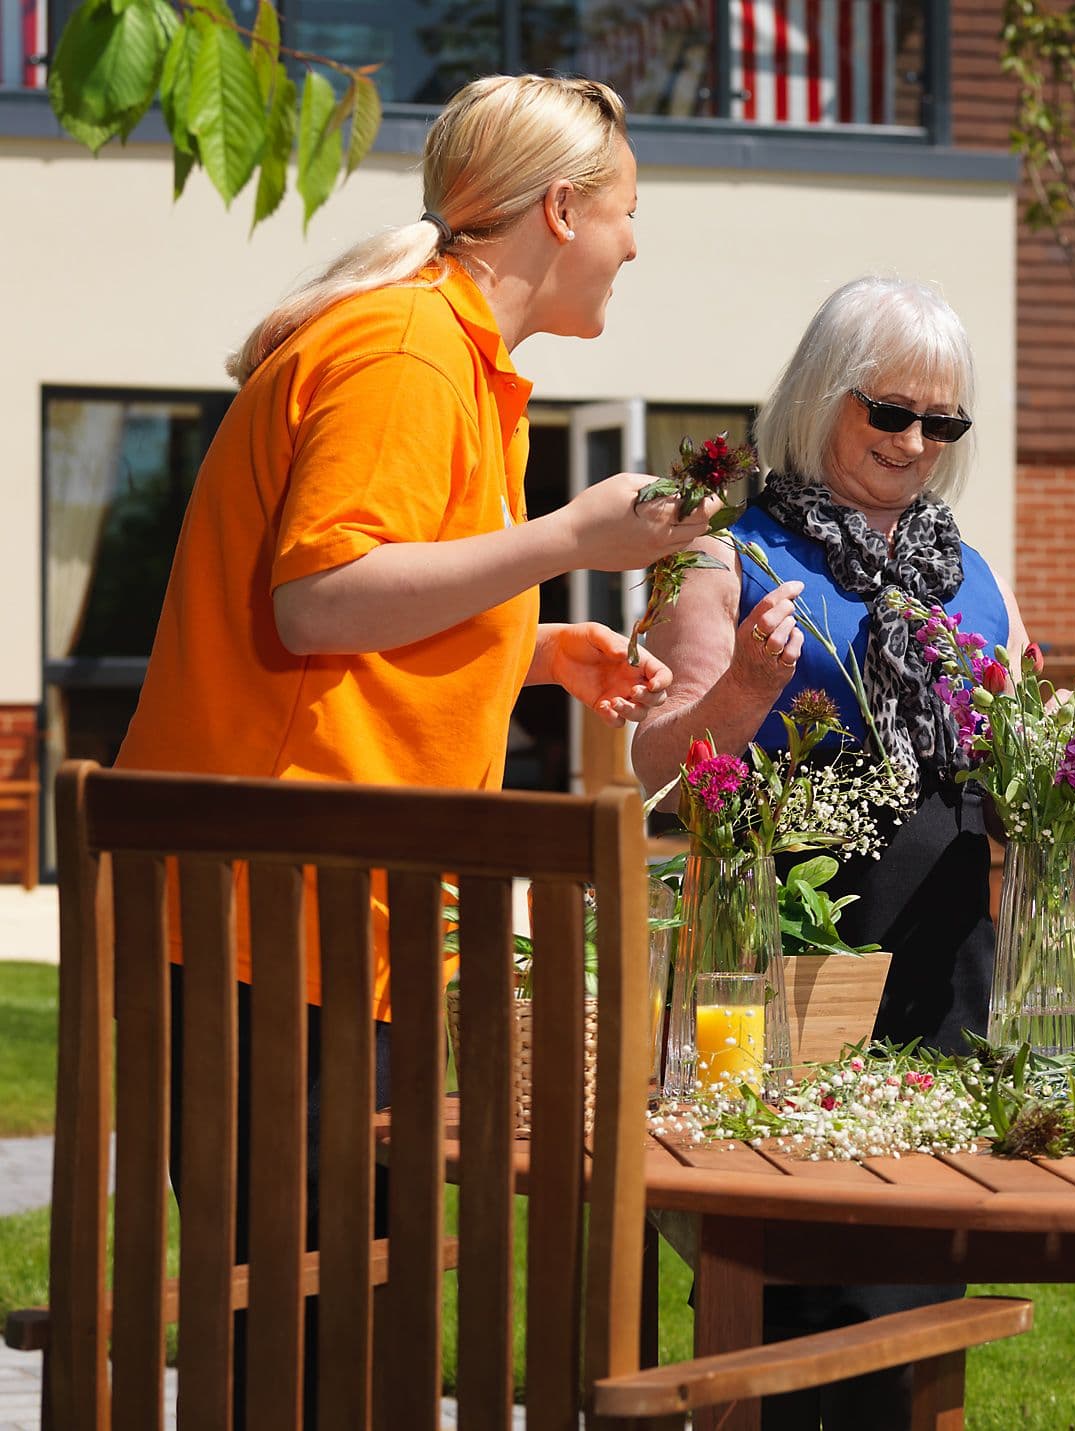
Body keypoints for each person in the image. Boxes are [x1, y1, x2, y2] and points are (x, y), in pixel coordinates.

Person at [115, 74, 717, 1426]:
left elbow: (387, 587)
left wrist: (534, 641)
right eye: (628, 212)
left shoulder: (457, 362)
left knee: (342, 1331)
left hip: (311, 917)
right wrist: (568, 538)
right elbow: (316, 596)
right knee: (317, 1340)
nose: (636, 241)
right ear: (562, 211)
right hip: (276, 919)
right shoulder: (407, 356)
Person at [631, 274, 1023, 1429]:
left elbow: (1002, 747)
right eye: (888, 412)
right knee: (797, 1274)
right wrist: (751, 683)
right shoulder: (722, 555)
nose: (915, 443)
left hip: (951, 944)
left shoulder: (967, 569)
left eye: (940, 422)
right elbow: (654, 767)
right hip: (793, 942)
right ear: (819, 398)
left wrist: (1041, 749)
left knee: (918, 1259)